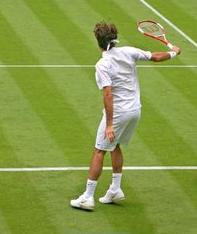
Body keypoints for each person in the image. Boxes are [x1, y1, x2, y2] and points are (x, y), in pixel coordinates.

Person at [70, 21, 181, 211]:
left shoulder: (102, 64)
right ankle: (115, 189)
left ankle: (87, 197)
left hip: (119, 113)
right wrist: (173, 52)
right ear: (114, 39)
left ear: (99, 42)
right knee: (115, 146)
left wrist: (110, 124)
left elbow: (107, 94)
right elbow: (155, 57)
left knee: (99, 151)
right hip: (134, 111)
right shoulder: (128, 51)